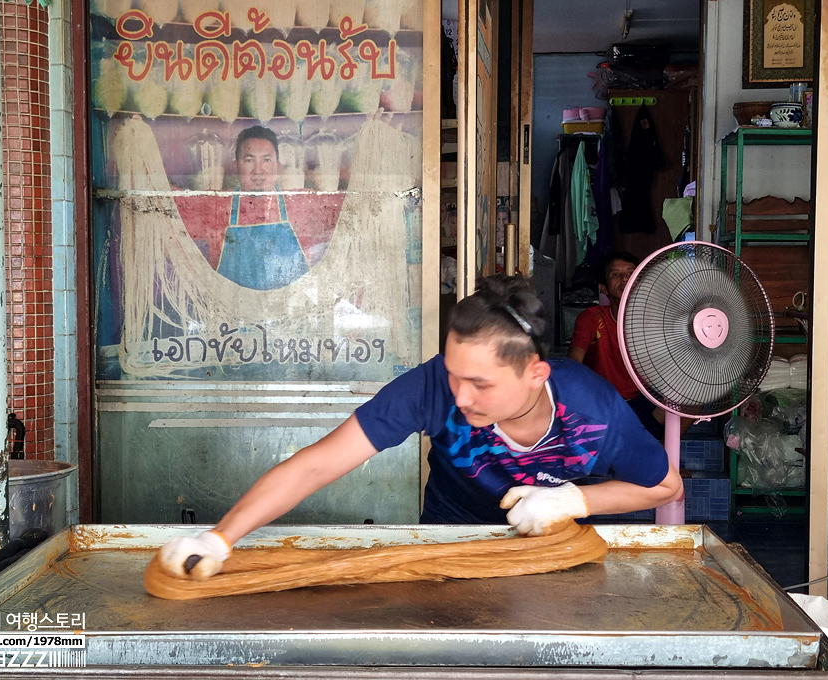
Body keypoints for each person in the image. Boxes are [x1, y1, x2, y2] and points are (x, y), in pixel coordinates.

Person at [159, 274, 683, 579]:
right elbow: (318, 464)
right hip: (447, 545)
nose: (460, 396)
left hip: (552, 553)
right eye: (454, 375)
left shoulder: (595, 411)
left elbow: (665, 485)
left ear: (534, 374)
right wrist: (222, 537)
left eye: (480, 384)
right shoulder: (432, 386)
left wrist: (577, 501)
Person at [175, 125, 343, 290]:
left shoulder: (303, 202)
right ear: (236, 166)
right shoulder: (217, 205)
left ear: (277, 166)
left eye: (266, 160)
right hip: (234, 312)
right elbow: (167, 203)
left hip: (288, 312)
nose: (258, 171)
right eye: (249, 160)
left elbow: (351, 209)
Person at [568, 251, 673, 440]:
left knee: (692, 399)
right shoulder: (592, 317)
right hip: (605, 403)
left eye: (630, 273)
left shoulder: (655, 320)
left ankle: (665, 458)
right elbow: (574, 361)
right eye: (615, 274)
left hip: (643, 403)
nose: (624, 278)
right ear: (604, 288)